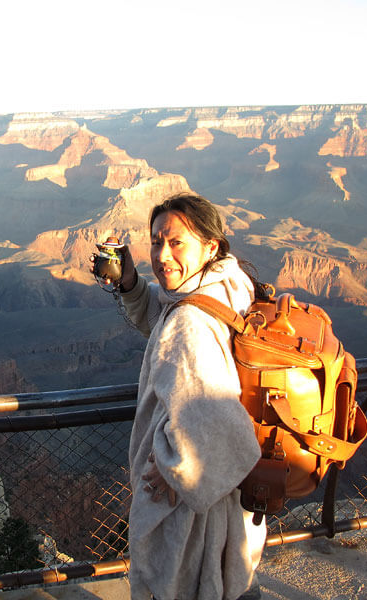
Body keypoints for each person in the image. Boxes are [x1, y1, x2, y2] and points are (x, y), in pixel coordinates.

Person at [99, 192, 266, 600]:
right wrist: (130, 284)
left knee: (187, 585)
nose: (162, 255)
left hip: (194, 510)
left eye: (176, 242)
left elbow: (215, 416)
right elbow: (161, 319)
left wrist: (172, 467)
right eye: (156, 242)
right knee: (229, 583)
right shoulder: (227, 287)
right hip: (230, 493)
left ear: (210, 246)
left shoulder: (189, 323)